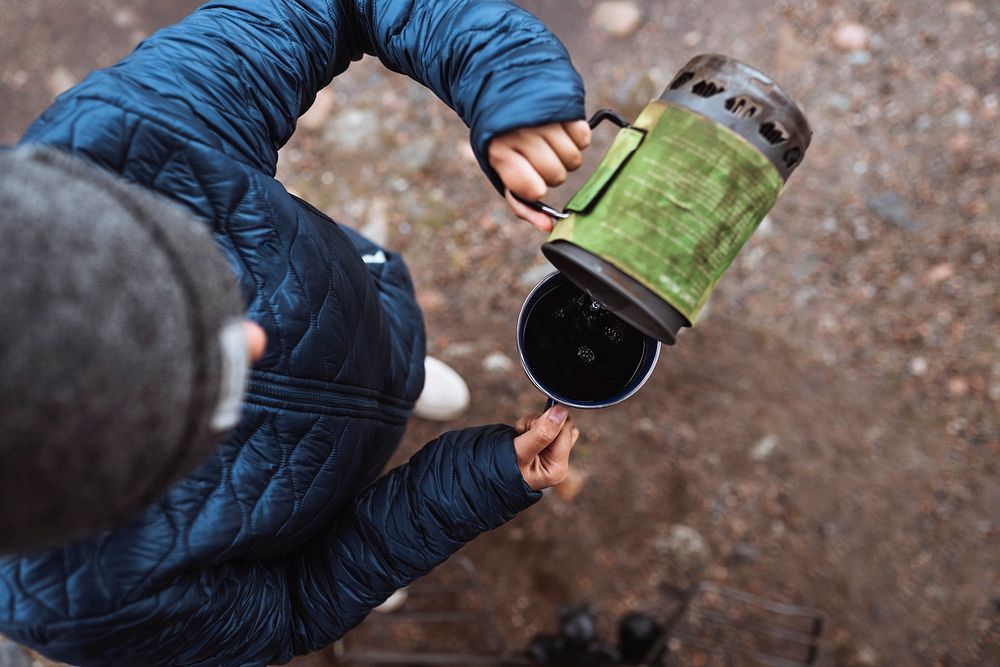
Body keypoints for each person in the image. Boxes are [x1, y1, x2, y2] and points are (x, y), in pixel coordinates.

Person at [0, 0, 590, 665]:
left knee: (394, 347)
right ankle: (385, 432)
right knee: (347, 550)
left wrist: (504, 75)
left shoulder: (124, 132)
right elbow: (296, 600)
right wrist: (470, 484)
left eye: (201, 286)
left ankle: (407, 370)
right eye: (194, 398)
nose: (254, 341)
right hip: (303, 513)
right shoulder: (81, 605)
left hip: (361, 306)